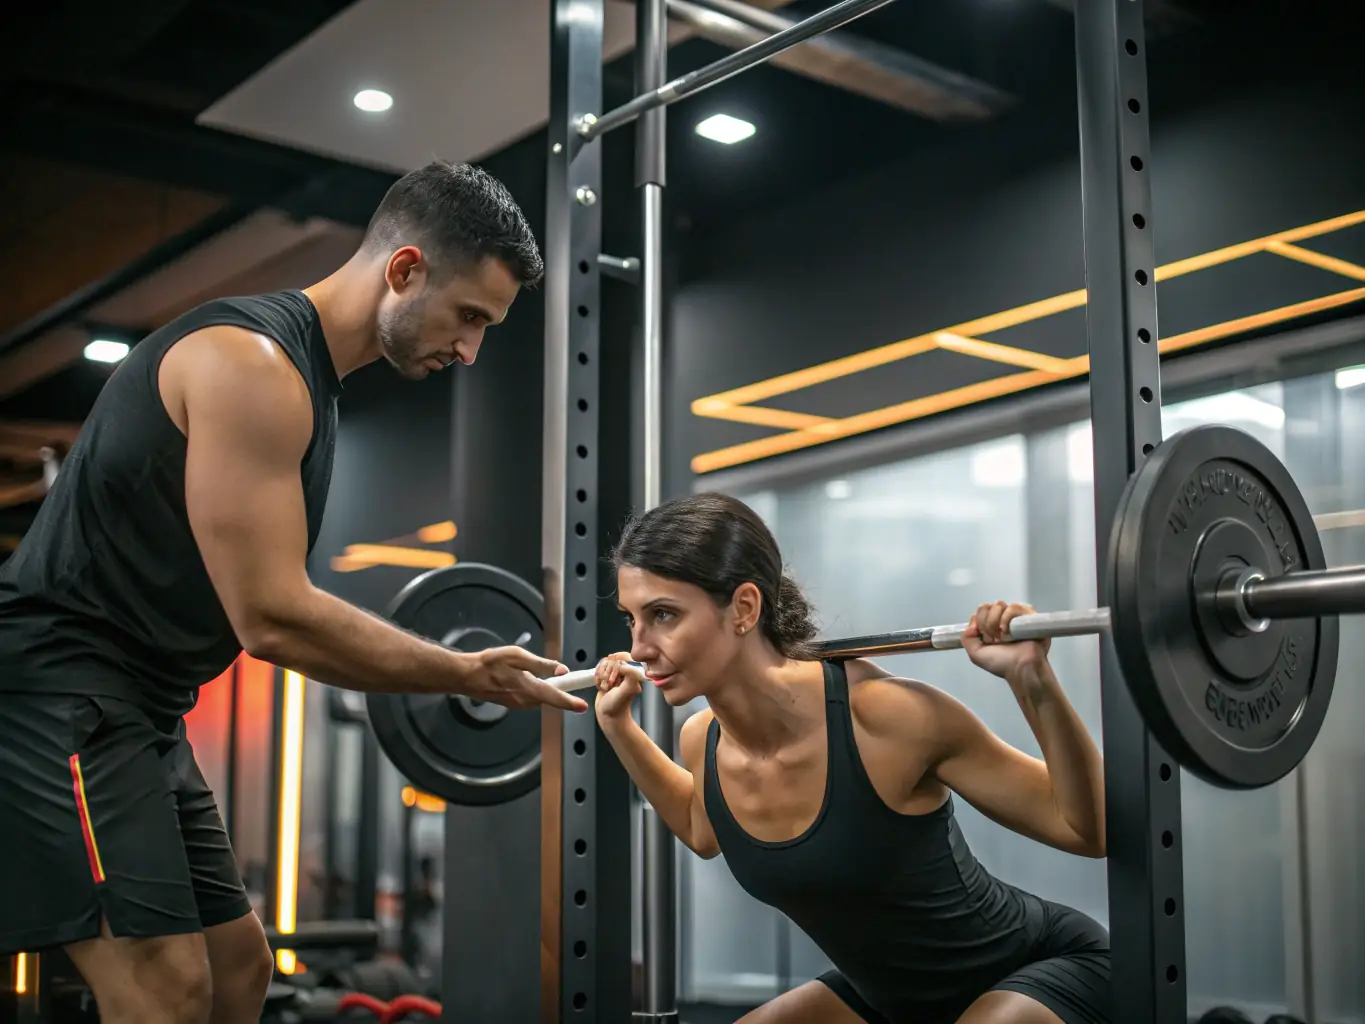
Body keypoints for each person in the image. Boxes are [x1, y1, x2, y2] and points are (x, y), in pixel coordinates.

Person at [0, 160, 588, 1024]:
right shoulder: (255, 367)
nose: (471, 350)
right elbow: (271, 616)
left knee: (237, 967)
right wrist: (464, 674)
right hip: (61, 696)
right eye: (469, 316)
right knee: (165, 985)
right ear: (404, 270)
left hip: (141, 707)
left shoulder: (310, 382)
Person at [594, 492, 1110, 1024]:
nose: (639, 648)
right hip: (890, 993)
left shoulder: (882, 715)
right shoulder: (703, 740)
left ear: (745, 608)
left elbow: (1088, 829)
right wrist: (617, 726)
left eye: (663, 615)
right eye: (632, 619)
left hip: (1032, 970)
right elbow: (704, 832)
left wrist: (1033, 681)